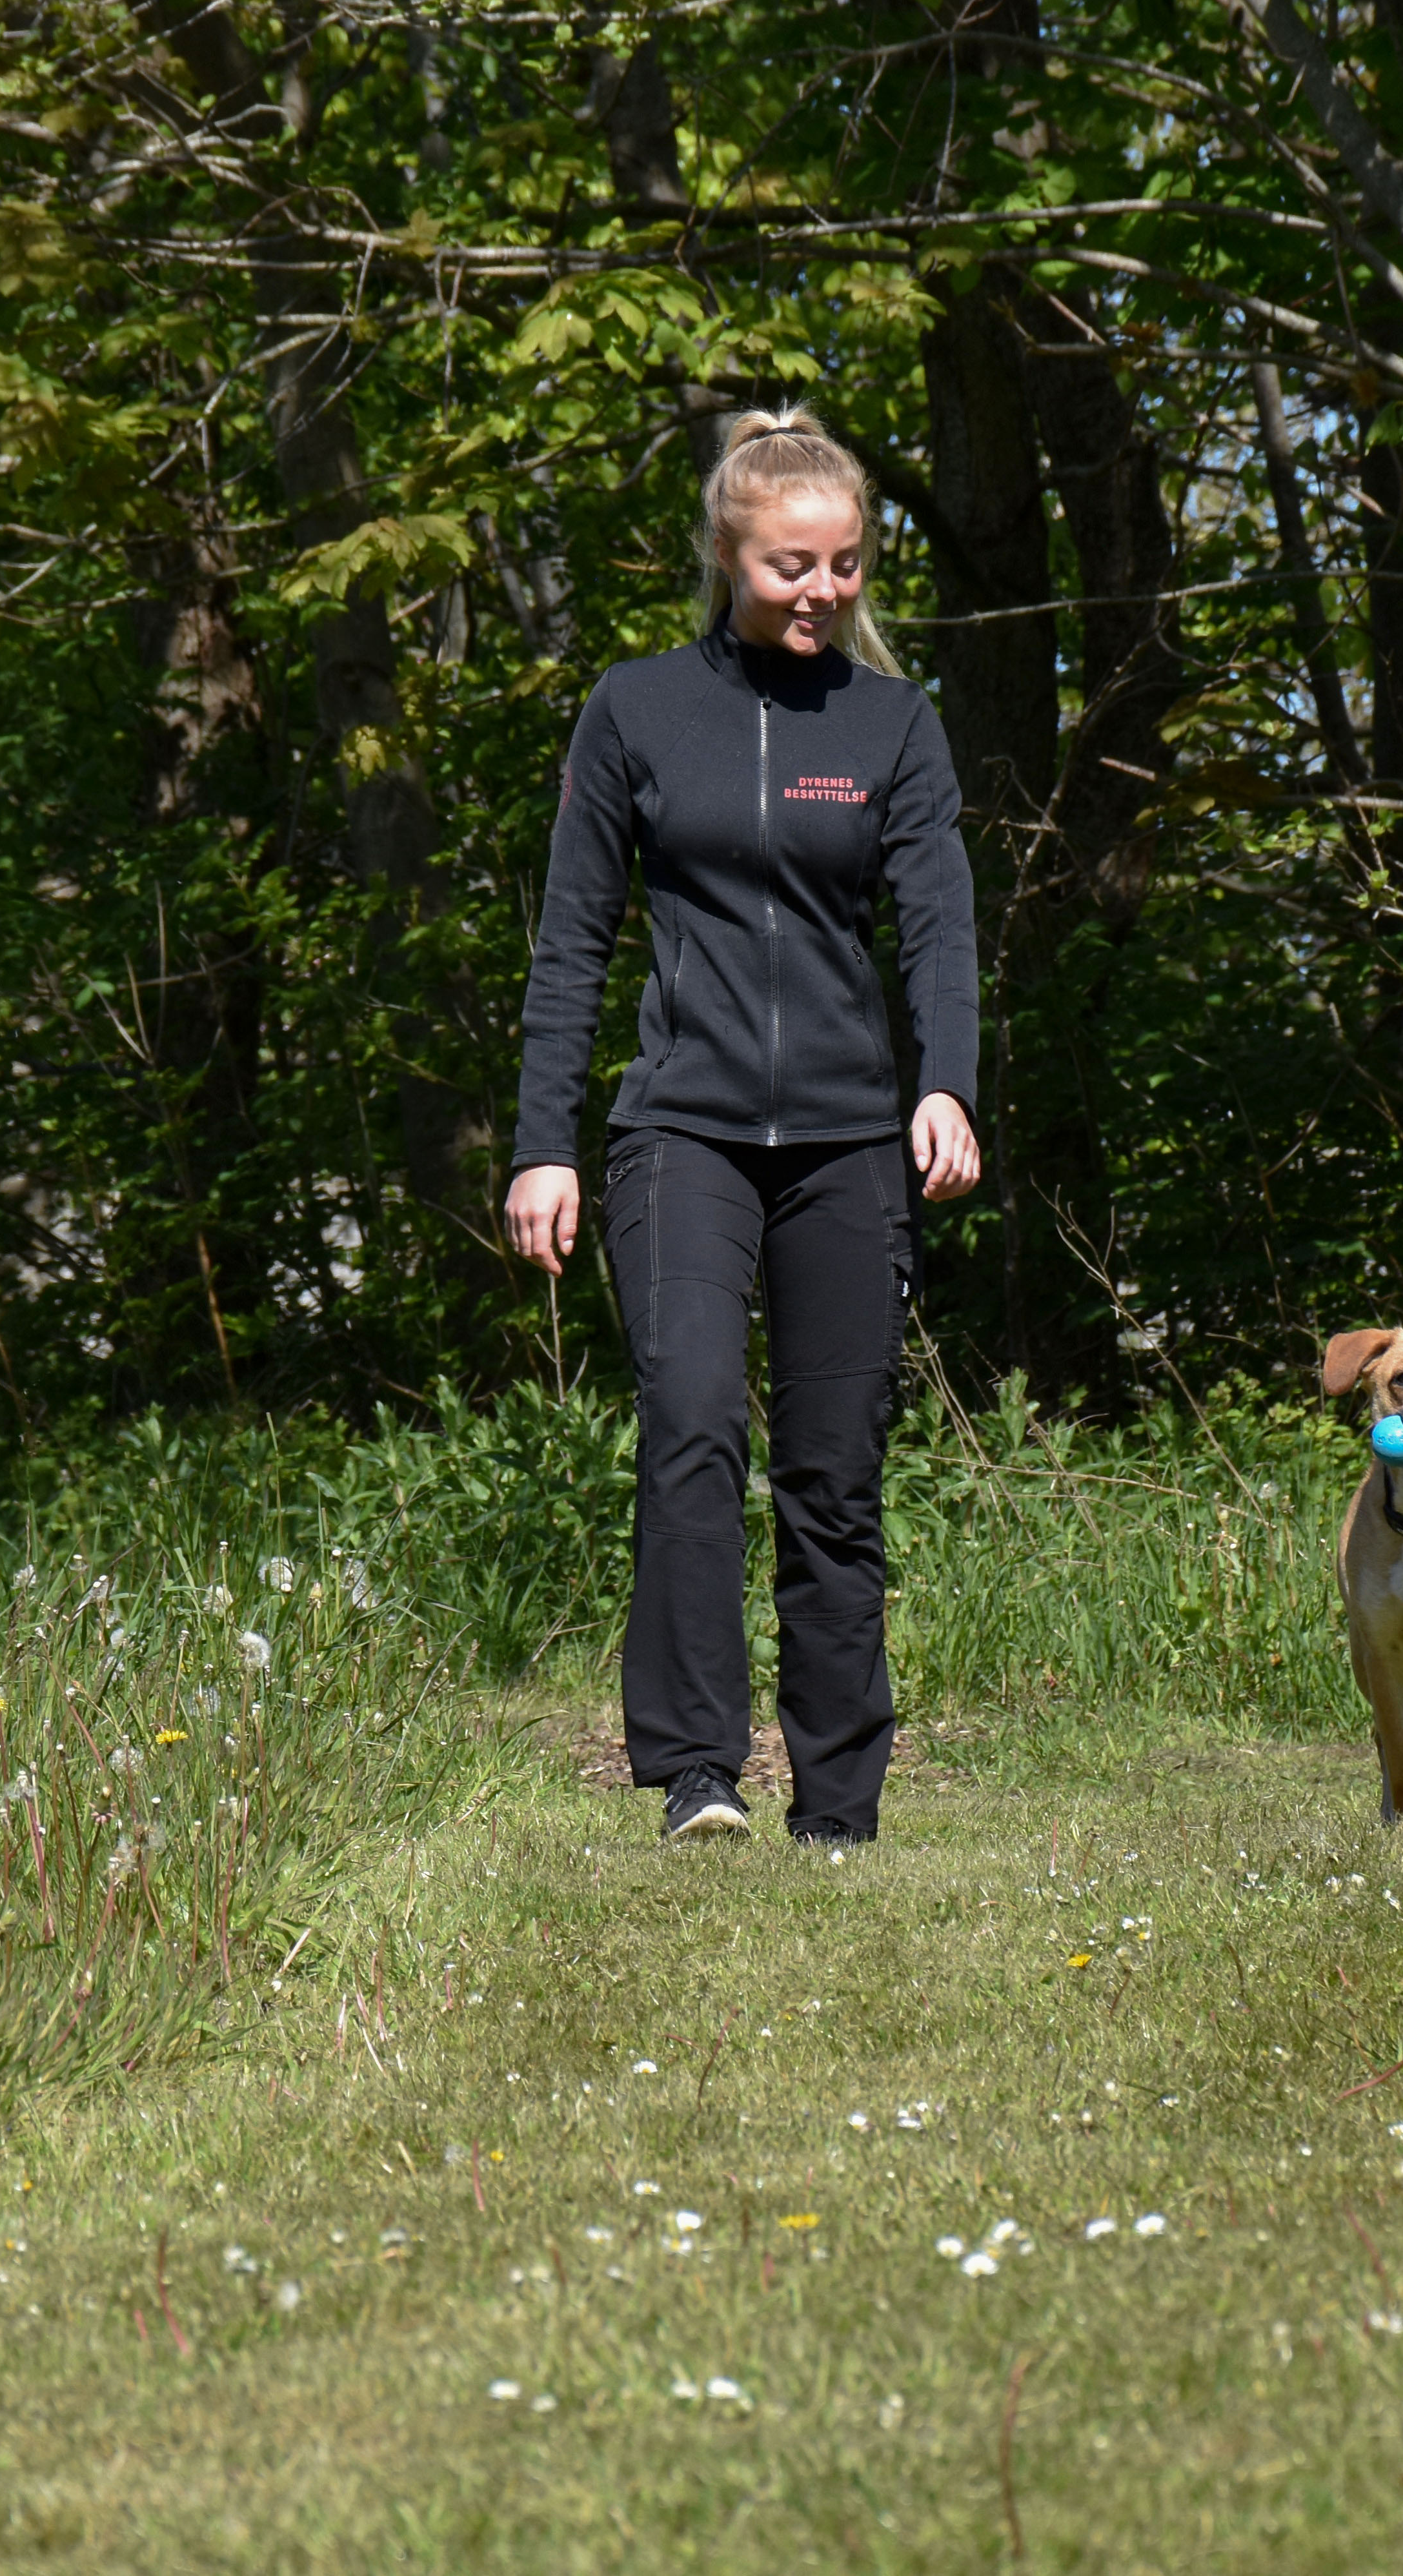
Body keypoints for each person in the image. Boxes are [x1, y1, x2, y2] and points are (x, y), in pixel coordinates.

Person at [506, 409, 982, 1845]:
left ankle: (838, 1806)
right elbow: (571, 940)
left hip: (849, 1142)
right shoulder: (636, 708)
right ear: (729, 556)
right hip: (682, 1134)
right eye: (792, 566)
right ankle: (697, 1770)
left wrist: (946, 1083)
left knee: (834, 1471)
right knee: (695, 1422)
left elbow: (939, 925)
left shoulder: (894, 723)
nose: (822, 591)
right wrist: (543, 1143)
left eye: (844, 564)